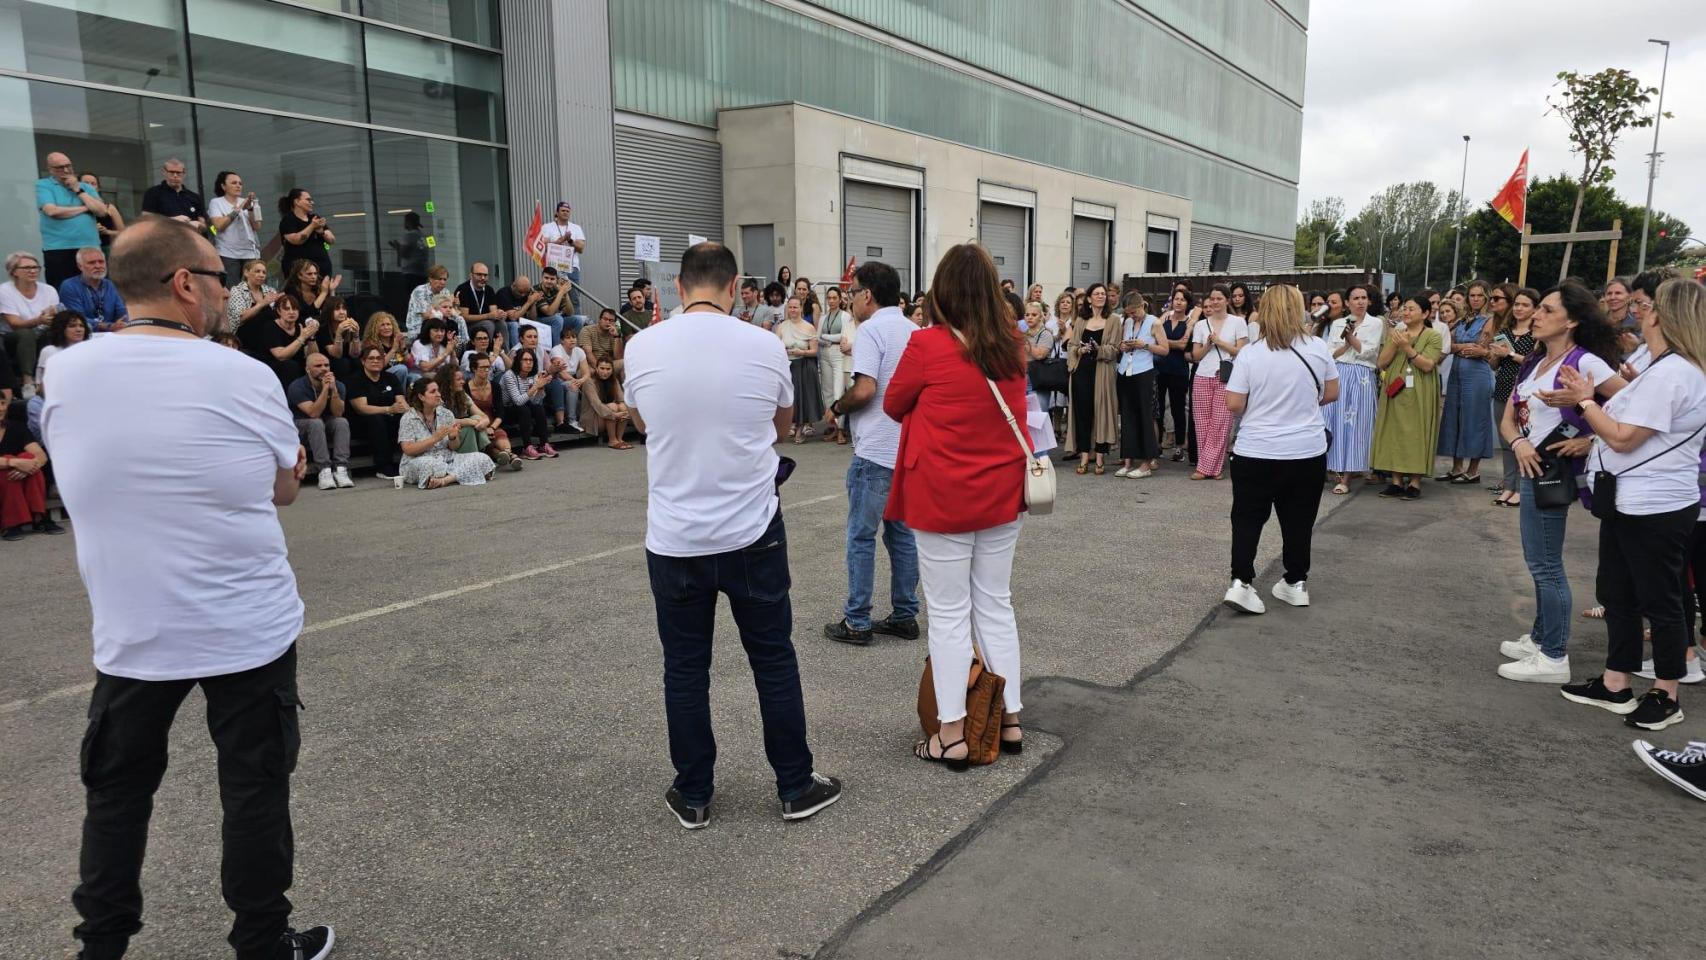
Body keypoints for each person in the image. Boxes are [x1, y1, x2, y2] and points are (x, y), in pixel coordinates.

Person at [41, 216, 334, 960]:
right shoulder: (240, 373)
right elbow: (284, 489)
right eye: (217, 281)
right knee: (255, 793)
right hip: (246, 624)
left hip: (133, 629)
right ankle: (262, 944)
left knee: (116, 797)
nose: (224, 295)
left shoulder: (65, 367)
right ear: (183, 285)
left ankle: (99, 949)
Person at [624, 241, 842, 828]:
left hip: (675, 537)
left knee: (686, 668)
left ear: (679, 287)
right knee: (772, 659)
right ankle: (795, 784)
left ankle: (693, 793)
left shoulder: (641, 346)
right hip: (752, 529)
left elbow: (643, 421)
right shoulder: (763, 343)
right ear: (733, 286)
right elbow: (783, 422)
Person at [881, 243, 1031, 766]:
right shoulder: (1012, 342)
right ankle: (1008, 716)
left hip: (942, 492)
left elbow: (894, 403)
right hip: (1000, 492)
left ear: (942, 291)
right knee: (995, 602)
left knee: (948, 613)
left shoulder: (927, 345)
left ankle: (952, 731)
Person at [1551, 278, 1706, 729]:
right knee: (1618, 592)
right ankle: (1615, 682)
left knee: (1662, 599)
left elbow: (1621, 437)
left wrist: (1583, 400)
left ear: (1664, 315)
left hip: (1655, 503)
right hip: (1629, 497)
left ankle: (1666, 693)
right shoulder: (1664, 367)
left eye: (1651, 305)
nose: (1643, 309)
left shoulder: (1677, 371)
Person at [1494, 282, 1627, 683]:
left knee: (1546, 564)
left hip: (1551, 473)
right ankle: (1540, 638)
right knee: (1538, 562)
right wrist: (1517, 442)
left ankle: (1553, 656)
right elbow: (1509, 415)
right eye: (1539, 308)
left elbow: (1636, 406)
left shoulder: (1586, 363)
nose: (1536, 315)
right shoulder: (1535, 360)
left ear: (1570, 321)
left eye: (1547, 310)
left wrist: (1590, 437)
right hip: (1530, 465)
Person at [1221, 285, 1340, 614]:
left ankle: (1241, 583)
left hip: (1256, 449)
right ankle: (1295, 582)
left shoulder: (1250, 354)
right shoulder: (1317, 347)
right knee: (1299, 520)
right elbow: (1331, 392)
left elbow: (1234, 403)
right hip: (1306, 449)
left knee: (1247, 518)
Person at [822, 260, 920, 647]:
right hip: (906, 448)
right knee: (902, 536)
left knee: (861, 536)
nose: (849, 299)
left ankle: (857, 620)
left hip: (876, 449)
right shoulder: (914, 331)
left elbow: (864, 390)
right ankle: (905, 614)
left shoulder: (871, 331)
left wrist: (836, 408)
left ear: (867, 295)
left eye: (852, 291)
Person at [1369, 296, 1445, 499]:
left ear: (1426, 313)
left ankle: (1415, 481)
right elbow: (1381, 363)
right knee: (1393, 431)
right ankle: (1395, 481)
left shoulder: (1433, 336)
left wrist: (1406, 347)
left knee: (1417, 432)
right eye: (1405, 309)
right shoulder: (1397, 333)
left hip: (1420, 388)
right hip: (1395, 387)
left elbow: (1428, 365)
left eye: (1412, 309)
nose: (1406, 312)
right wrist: (1395, 344)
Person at [1322, 285, 1384, 494]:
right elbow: (1331, 353)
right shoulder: (1338, 322)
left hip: (1362, 376)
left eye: (1363, 298)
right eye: (1355, 298)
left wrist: (1350, 339)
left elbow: (1368, 352)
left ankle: (1347, 476)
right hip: (1339, 373)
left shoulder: (1375, 323)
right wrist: (1347, 344)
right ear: (1347, 302)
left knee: (1356, 425)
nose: (1360, 301)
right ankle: (1333, 469)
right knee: (1333, 420)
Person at [1436, 283, 1497, 484]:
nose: (1476, 299)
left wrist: (1459, 347)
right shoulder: (1464, 319)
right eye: (1472, 295)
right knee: (1454, 417)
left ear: (1486, 297)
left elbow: (1481, 347)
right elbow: (1448, 345)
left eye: (1480, 295)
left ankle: (1473, 470)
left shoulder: (1490, 319)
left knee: (1475, 419)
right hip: (1457, 372)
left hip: (1477, 374)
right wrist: (1462, 347)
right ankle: (1456, 467)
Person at [1189, 284, 1248, 480]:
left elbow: (1242, 351)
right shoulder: (1200, 325)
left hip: (1227, 376)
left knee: (1221, 423)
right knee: (1203, 423)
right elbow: (1195, 355)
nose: (1215, 302)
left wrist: (1220, 342)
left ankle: (1209, 467)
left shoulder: (1238, 322)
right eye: (1212, 299)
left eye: (1219, 299)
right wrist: (1208, 343)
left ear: (1227, 300)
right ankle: (1209, 465)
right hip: (1202, 376)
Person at [397, 377, 495, 489]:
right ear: (421, 397)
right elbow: (408, 449)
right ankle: (463, 474)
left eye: (438, 390)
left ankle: (444, 480)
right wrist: (434, 439)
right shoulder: (408, 418)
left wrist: (453, 437)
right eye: (433, 392)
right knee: (430, 465)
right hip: (418, 461)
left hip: (447, 459)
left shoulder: (446, 414)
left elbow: (454, 447)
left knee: (481, 458)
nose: (438, 394)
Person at [1490, 287, 1540, 506]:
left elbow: (1535, 363)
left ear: (1535, 309)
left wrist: (1509, 354)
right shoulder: (1505, 330)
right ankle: (1509, 486)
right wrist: (1495, 354)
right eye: (1517, 304)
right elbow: (1494, 364)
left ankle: (1521, 488)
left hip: (1524, 394)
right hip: (1502, 388)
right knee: (1505, 441)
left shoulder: (1537, 333)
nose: (1519, 308)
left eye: (1525, 305)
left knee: (1522, 440)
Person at [1066, 282, 1119, 475]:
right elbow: (1071, 346)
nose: (1100, 296)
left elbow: (1115, 349)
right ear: (1089, 299)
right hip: (1082, 371)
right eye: (1096, 294)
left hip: (1102, 372)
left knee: (1101, 413)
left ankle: (1100, 457)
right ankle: (1083, 456)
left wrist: (1098, 349)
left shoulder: (1113, 320)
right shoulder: (1081, 320)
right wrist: (1080, 349)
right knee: (1083, 413)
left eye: (1103, 294)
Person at [37, 152, 110, 286]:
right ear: (50, 169)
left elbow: (102, 211)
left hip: (90, 246)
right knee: (62, 288)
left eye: (68, 166)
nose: (65, 170)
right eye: (60, 167)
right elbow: (52, 211)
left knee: (95, 287)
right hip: (59, 248)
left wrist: (78, 190)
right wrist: (86, 208)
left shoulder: (86, 187)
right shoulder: (43, 185)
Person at [1113, 292, 1165, 478]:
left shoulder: (1155, 322)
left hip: (1144, 371)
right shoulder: (1126, 322)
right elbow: (1120, 344)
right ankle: (1128, 461)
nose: (1132, 316)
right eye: (1128, 313)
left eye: (1134, 312)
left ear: (1142, 305)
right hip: (1126, 371)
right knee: (1127, 416)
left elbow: (1165, 349)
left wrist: (1144, 345)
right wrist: (1123, 346)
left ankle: (1146, 463)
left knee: (1145, 416)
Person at [286, 352, 353, 490]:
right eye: (318, 366)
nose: (324, 369)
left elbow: (338, 413)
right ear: (307, 369)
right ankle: (324, 471)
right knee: (316, 422)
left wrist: (333, 391)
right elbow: (313, 413)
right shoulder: (297, 386)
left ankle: (341, 468)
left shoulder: (338, 385)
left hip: (323, 425)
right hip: (299, 428)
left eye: (326, 365)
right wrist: (324, 390)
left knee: (341, 422)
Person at [1, 394, 62, 540]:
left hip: (18, 480)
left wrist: (29, 467)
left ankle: (39, 518)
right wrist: (14, 463)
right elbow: (12, 463)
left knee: (29, 458)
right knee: (9, 463)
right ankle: (12, 523)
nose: (1, 408)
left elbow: (41, 455)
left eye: (3, 403)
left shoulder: (16, 427)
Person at [434, 361, 516, 469]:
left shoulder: (462, 394)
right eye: (459, 379)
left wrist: (484, 422)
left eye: (463, 379)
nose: (463, 382)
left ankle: (501, 454)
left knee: (478, 422)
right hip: (446, 437)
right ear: (448, 382)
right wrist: (470, 422)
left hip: (464, 433)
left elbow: (481, 415)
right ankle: (495, 457)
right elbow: (442, 421)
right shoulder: (438, 398)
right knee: (470, 427)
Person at [1, 251, 61, 397]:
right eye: (27, 268)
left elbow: (56, 316)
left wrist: (52, 318)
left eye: (35, 267)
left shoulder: (48, 290)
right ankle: (27, 382)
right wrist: (38, 320)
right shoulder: (4, 291)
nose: (33, 271)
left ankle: (52, 378)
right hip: (11, 336)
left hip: (41, 332)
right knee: (26, 334)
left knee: (54, 333)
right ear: (14, 272)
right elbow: (14, 324)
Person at [348, 343, 407, 479]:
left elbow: (401, 401)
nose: (376, 361)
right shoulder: (356, 380)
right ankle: (383, 466)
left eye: (379, 358)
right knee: (376, 419)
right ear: (363, 361)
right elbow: (361, 408)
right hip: (362, 422)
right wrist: (388, 409)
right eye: (371, 358)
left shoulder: (390, 378)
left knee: (406, 418)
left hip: (388, 417)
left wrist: (409, 412)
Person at [776, 296, 822, 443]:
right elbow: (776, 347)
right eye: (790, 307)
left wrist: (801, 352)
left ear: (801, 308)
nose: (793, 310)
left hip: (804, 365)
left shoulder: (809, 327)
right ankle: (793, 424)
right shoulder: (782, 326)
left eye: (795, 307)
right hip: (788, 366)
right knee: (791, 398)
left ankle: (801, 428)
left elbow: (814, 351)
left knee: (803, 398)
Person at [464, 352, 521, 470]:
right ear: (474, 369)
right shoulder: (466, 388)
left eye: (488, 367)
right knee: (487, 442)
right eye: (483, 367)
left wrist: (493, 427)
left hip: (493, 424)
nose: (486, 370)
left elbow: (501, 412)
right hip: (477, 425)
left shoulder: (495, 386)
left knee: (500, 435)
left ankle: (507, 454)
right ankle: (511, 456)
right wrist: (485, 427)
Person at [1155, 289, 1193, 463]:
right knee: (1159, 408)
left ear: (1187, 303)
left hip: (1179, 370)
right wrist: (1173, 344)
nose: (1178, 302)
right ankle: (1157, 444)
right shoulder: (1164, 320)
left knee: (1178, 409)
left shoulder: (1190, 323)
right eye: (1176, 299)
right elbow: (1155, 340)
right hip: (1160, 368)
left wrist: (1166, 343)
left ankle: (1179, 446)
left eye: (1182, 300)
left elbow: (1184, 345)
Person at [500, 343, 556, 459]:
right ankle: (527, 447)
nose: (528, 362)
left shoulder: (533, 375)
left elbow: (534, 401)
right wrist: (536, 387)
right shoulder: (509, 375)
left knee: (538, 408)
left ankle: (543, 444)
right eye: (525, 360)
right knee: (524, 409)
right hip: (505, 410)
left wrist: (541, 388)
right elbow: (518, 401)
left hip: (522, 407)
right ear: (518, 361)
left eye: (531, 360)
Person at [207, 171, 262, 284]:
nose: (238, 186)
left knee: (252, 289)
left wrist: (250, 208)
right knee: (232, 290)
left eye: (240, 183)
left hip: (250, 253)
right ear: (223, 186)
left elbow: (257, 226)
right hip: (228, 253)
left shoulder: (248, 202)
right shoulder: (216, 202)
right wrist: (240, 208)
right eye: (234, 183)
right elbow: (218, 226)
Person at [57, 247, 128, 334]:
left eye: (101, 262)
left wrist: (122, 324)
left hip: (112, 334)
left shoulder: (111, 285)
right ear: (80, 266)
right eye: (91, 263)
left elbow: (122, 312)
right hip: (83, 336)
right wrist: (108, 326)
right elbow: (76, 318)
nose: (98, 266)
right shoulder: (69, 286)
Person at [816, 286, 852, 442]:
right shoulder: (823, 318)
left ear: (839, 299)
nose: (831, 301)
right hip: (824, 355)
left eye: (834, 298)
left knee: (838, 392)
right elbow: (817, 337)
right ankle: (833, 427)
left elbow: (842, 336)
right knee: (827, 392)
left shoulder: (845, 316)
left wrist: (826, 337)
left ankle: (842, 430)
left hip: (838, 355)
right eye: (829, 298)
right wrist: (825, 338)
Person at [539, 201, 587, 314]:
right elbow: (542, 246)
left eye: (567, 211)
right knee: (553, 296)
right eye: (563, 211)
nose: (565, 213)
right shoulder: (547, 227)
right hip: (553, 267)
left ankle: (576, 323)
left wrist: (570, 240)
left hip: (571, 267)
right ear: (557, 212)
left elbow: (581, 248)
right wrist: (560, 240)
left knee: (574, 297)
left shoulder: (575, 228)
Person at [276, 187, 333, 279]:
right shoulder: (288, 220)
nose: (312, 203)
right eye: (308, 200)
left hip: (321, 266)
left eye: (312, 200)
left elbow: (331, 240)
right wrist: (312, 226)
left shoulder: (315, 217)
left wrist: (322, 232)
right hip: (299, 269)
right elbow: (296, 240)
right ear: (297, 202)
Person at [139, 158, 206, 231]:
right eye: (171, 172)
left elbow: (208, 226)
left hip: (190, 240)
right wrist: (172, 221)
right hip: (164, 240)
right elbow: (145, 221)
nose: (175, 176)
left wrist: (199, 225)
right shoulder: (153, 193)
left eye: (178, 173)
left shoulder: (194, 197)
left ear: (184, 174)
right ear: (164, 172)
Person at [581, 356, 631, 449]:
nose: (605, 372)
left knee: (623, 406)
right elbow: (596, 404)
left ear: (612, 370)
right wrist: (614, 414)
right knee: (613, 406)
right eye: (602, 368)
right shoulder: (589, 382)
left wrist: (625, 411)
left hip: (608, 415)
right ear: (596, 368)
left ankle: (619, 439)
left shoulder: (614, 380)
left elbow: (621, 399)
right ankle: (612, 440)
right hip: (593, 418)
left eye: (608, 369)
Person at [454, 262, 505, 346]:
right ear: (471, 275)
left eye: (485, 275)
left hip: (485, 322)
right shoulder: (463, 289)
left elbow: (494, 313)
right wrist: (488, 316)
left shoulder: (489, 289)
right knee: (488, 324)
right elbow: (464, 317)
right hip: (468, 326)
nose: (483, 278)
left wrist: (500, 314)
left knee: (501, 323)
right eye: (479, 275)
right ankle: (485, 352)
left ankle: (503, 352)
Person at [405, 264, 462, 338]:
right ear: (430, 279)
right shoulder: (419, 291)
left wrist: (455, 305)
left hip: (440, 327)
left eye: (444, 279)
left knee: (460, 319)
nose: (442, 282)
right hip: (419, 329)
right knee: (437, 317)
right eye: (439, 279)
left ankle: (463, 343)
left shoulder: (445, 292)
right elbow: (427, 315)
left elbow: (452, 313)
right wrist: (447, 309)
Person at [225, 259, 280, 334]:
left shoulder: (270, 291)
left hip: (269, 334)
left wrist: (281, 302)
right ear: (246, 273)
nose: (261, 275)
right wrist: (262, 304)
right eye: (257, 271)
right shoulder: (237, 291)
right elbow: (240, 318)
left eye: (264, 272)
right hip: (244, 336)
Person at [550, 327, 588, 432]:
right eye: (568, 338)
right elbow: (562, 373)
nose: (572, 340)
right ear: (562, 340)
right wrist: (576, 381)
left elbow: (586, 372)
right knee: (573, 385)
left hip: (573, 378)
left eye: (574, 337)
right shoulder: (556, 350)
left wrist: (582, 380)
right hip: (557, 380)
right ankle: (572, 421)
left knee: (587, 383)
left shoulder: (579, 351)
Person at [494, 273, 546, 347]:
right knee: (515, 325)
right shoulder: (503, 293)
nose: (523, 295)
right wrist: (528, 302)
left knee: (536, 326)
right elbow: (513, 317)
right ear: (513, 285)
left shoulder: (527, 293)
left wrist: (533, 303)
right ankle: (517, 352)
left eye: (525, 292)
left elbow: (532, 318)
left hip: (523, 322)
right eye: (520, 292)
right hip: (507, 323)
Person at [361, 310, 411, 385]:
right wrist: (393, 349)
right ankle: (400, 395)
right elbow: (379, 365)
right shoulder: (371, 344)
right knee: (401, 369)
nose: (386, 327)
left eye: (388, 324)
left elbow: (410, 364)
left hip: (399, 374)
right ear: (375, 328)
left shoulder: (397, 340)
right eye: (382, 325)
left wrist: (403, 347)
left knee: (415, 376)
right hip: (380, 375)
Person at [81, 172, 125, 253]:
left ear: (98, 188)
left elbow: (123, 232)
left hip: (103, 249)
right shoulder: (73, 207)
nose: (89, 186)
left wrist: (107, 231)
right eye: (86, 183)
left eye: (93, 184)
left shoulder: (109, 208)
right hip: (80, 249)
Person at [388, 211, 429, 293]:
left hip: (411, 274)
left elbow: (404, 253)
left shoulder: (409, 235)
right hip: (422, 272)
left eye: (405, 221)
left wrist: (396, 246)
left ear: (408, 222)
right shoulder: (423, 235)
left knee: (410, 299)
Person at [409, 316, 457, 384]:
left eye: (442, 331)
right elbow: (425, 368)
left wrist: (452, 352)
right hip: (419, 377)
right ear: (428, 331)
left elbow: (454, 369)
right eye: (436, 330)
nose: (440, 333)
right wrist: (446, 353)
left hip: (438, 377)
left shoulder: (443, 346)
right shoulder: (419, 344)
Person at [581, 307, 626, 374]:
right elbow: (588, 354)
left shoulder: (614, 333)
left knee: (624, 363)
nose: (607, 322)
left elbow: (618, 357)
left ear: (614, 323)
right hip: (591, 365)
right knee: (587, 372)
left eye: (611, 320)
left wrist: (616, 337)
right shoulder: (587, 330)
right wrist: (600, 369)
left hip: (608, 365)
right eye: (605, 319)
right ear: (599, 319)